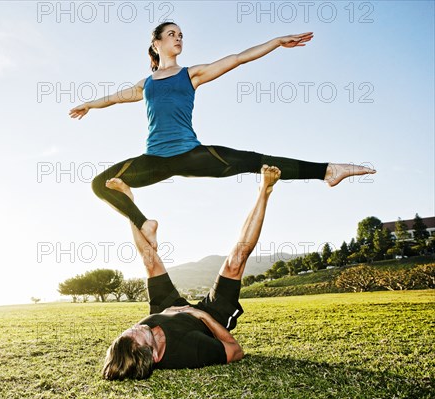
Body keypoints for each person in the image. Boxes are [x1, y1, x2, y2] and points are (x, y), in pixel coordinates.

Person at [68, 22, 376, 251]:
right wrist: (89, 105)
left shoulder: (192, 74)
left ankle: (328, 171)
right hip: (154, 161)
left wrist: (277, 42)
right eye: (172, 34)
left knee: (256, 161)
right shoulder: (145, 84)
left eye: (181, 35)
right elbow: (115, 97)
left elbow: (238, 58)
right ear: (156, 43)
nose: (179, 38)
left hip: (192, 154)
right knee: (100, 184)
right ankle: (144, 223)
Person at [101, 164, 282, 380]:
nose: (134, 327)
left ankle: (129, 204)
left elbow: (137, 335)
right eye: (136, 334)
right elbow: (236, 350)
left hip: (168, 308)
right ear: (153, 355)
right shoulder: (189, 351)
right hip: (206, 321)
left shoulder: (139, 335)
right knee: (236, 260)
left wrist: (170, 312)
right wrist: (201, 315)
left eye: (127, 332)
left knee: (150, 262)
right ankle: (265, 189)